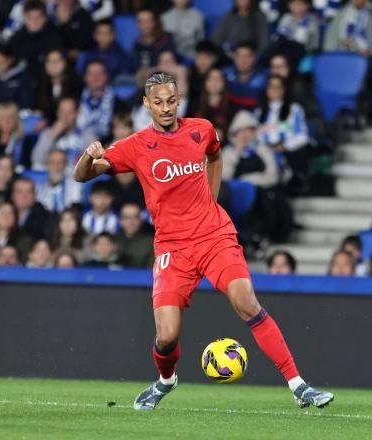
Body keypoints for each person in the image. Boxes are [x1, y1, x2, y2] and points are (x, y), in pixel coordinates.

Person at [73, 71, 333, 411]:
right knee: (166, 337)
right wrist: (88, 156)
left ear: (178, 99)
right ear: (146, 104)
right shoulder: (134, 147)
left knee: (246, 302)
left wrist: (211, 199)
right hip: (172, 247)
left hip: (214, 236)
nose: (165, 108)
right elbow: (82, 176)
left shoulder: (201, 129)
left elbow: (214, 155)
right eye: (158, 102)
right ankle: (166, 381)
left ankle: (299, 386)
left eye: (170, 101)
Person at [323, 0, 372, 124]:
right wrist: (339, 54)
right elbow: (329, 44)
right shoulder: (343, 14)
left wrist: (371, 51)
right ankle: (345, 111)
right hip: (345, 59)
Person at [31, 97, 97, 170]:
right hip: (55, 175)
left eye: (69, 112)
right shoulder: (48, 133)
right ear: (57, 113)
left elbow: (95, 161)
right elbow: (36, 160)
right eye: (62, 112)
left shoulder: (87, 134)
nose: (65, 116)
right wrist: (52, 136)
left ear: (77, 113)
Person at [7, 0, 65, 81]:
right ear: (24, 18)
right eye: (30, 18)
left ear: (45, 18)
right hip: (21, 85)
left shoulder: (55, 38)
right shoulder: (16, 40)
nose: (34, 22)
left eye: (38, 17)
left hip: (46, 84)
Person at [221, 110, 280, 189]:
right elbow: (224, 178)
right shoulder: (228, 151)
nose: (244, 135)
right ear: (234, 133)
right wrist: (236, 153)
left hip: (263, 191)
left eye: (248, 130)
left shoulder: (263, 149)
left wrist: (248, 180)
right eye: (241, 131)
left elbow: (273, 176)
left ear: (254, 132)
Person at [0, 43, 34, 110]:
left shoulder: (23, 77)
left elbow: (27, 102)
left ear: (11, 59)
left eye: (1, 62)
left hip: (15, 116)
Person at [36, 49, 83, 124]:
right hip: (47, 128)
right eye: (49, 61)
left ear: (65, 62)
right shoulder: (40, 85)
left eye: (58, 60)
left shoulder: (76, 84)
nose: (53, 64)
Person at [223, 41, 268, 112]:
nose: (242, 60)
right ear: (234, 57)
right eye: (239, 56)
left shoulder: (265, 77)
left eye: (247, 56)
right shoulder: (224, 74)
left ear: (255, 57)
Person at [77, 60, 115, 141]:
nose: (95, 77)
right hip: (78, 141)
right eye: (91, 74)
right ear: (85, 77)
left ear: (106, 76)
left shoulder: (117, 103)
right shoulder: (76, 99)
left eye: (99, 73)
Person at [35, 149, 83, 213]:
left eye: (60, 162)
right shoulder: (39, 188)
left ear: (66, 165)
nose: (56, 166)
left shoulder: (75, 186)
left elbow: (75, 211)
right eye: (52, 162)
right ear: (47, 165)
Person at [191, 67, 231, 140]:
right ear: (205, 82)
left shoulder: (231, 107)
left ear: (224, 83)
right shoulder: (194, 104)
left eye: (218, 79)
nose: (214, 82)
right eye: (211, 79)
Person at [133, 9, 176, 74]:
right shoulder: (137, 43)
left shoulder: (165, 41)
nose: (144, 25)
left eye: (147, 21)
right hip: (141, 77)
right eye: (140, 22)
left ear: (155, 22)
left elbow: (168, 67)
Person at [114, 203, 154, 268]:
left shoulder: (150, 243)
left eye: (135, 217)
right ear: (120, 220)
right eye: (126, 217)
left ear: (141, 220)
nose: (130, 222)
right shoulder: (112, 240)